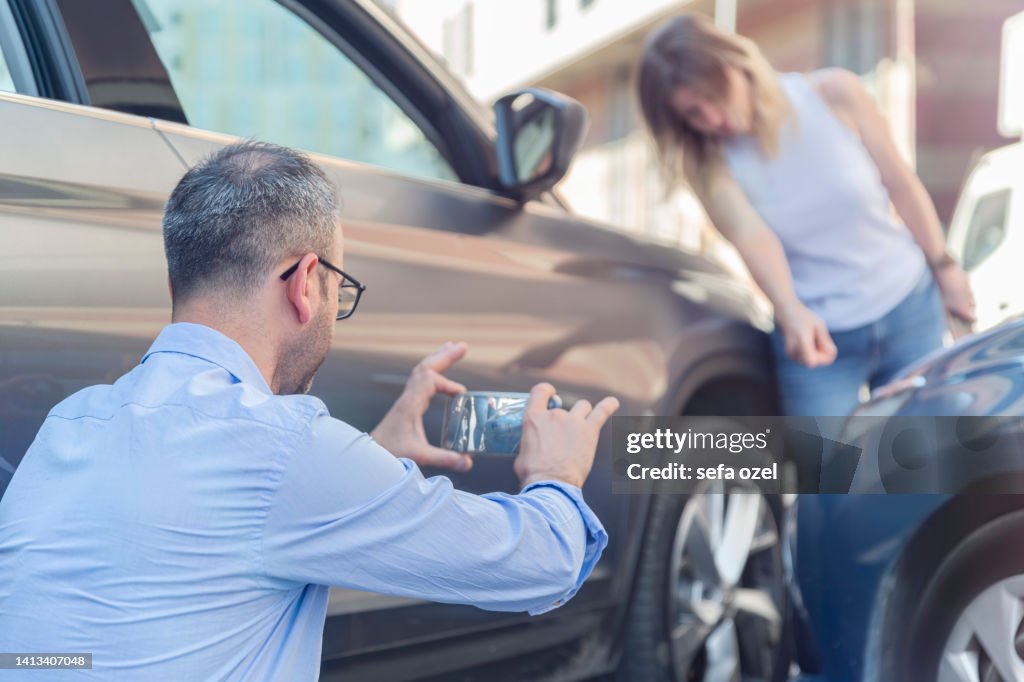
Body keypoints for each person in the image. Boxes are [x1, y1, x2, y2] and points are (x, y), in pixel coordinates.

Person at [0, 141, 620, 680]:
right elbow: (538, 565)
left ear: (175, 287)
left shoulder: (71, 423)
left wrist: (373, 458)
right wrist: (557, 476)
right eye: (337, 289)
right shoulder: (284, 446)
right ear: (304, 281)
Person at [637, 13, 976, 417]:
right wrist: (790, 310)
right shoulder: (708, 163)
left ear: (737, 65)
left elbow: (901, 184)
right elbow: (752, 237)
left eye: (712, 95)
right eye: (692, 113)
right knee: (832, 477)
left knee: (930, 461)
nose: (711, 118)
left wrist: (945, 268)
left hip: (907, 308)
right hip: (816, 338)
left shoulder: (835, 94)